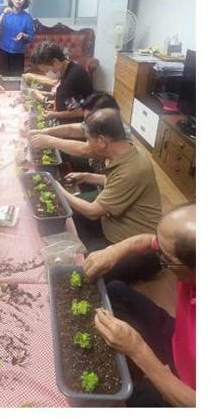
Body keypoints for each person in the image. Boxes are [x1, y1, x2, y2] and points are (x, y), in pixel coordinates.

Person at [84, 203, 196, 407]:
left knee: (130, 399)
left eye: (166, 260)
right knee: (116, 290)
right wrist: (114, 251)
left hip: (188, 391)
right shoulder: (188, 256)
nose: (159, 256)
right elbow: (150, 242)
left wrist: (137, 350)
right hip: (179, 339)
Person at [57, 108, 162, 282]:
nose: (87, 144)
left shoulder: (133, 169)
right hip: (114, 224)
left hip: (138, 248)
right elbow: (114, 182)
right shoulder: (127, 151)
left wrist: (58, 189)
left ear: (101, 141)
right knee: (70, 214)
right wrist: (87, 176)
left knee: (87, 272)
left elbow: (93, 212)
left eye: (88, 139)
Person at [29, 41, 93, 121]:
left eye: (46, 70)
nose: (46, 73)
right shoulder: (68, 68)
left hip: (77, 121)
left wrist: (54, 115)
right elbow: (70, 100)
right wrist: (56, 103)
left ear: (55, 62)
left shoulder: (72, 78)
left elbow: (81, 111)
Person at [0, 0, 34, 76]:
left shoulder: (27, 17)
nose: (19, 0)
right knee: (3, 78)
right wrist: (3, 14)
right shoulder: (4, 13)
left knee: (17, 79)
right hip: (4, 52)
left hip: (19, 53)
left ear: (25, 1)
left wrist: (24, 35)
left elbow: (31, 37)